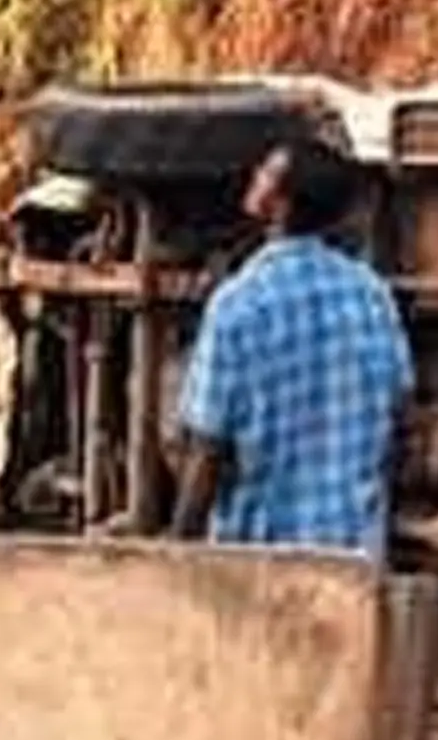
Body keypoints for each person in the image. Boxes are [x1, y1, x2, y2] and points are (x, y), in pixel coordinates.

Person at [169, 134, 415, 559]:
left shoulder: (237, 305)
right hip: (353, 562)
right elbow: (398, 416)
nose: (254, 177)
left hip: (260, 565)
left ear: (280, 206)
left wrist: (175, 555)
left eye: (265, 173)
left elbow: (206, 453)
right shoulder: (372, 293)